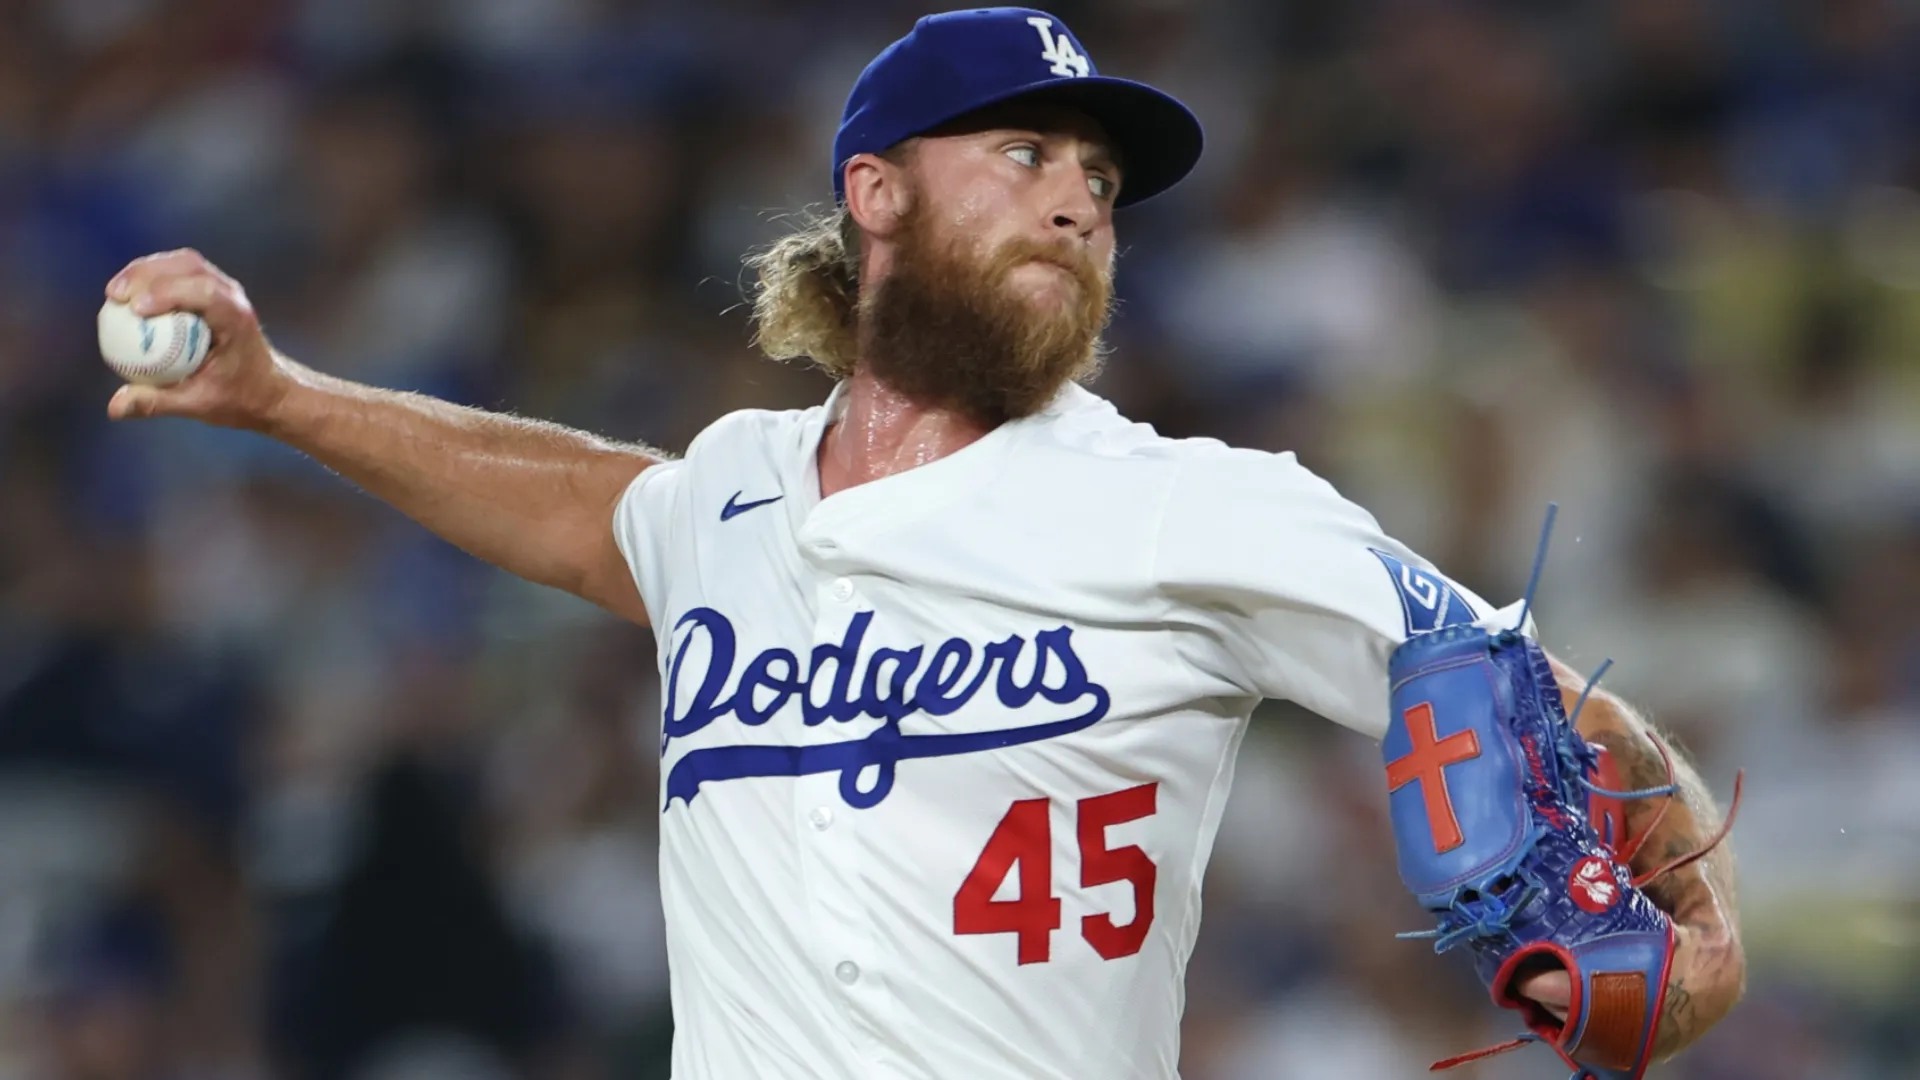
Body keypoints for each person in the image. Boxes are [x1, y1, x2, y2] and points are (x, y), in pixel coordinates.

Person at [101, 9, 1744, 1079]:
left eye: (1098, 179)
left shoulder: (1196, 503)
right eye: (1025, 153)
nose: (1078, 201)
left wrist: (1702, 938)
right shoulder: (730, 493)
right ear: (873, 196)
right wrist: (283, 394)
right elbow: (581, 502)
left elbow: (1539, 700)